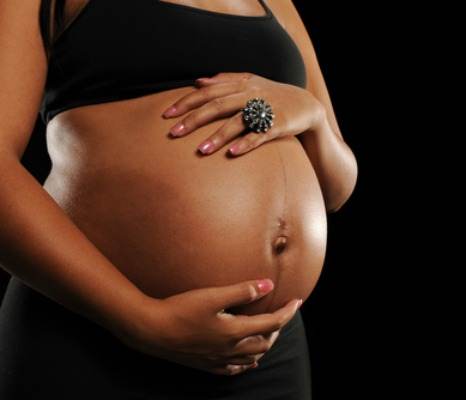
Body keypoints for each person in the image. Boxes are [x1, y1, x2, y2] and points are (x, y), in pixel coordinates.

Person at [0, 0, 358, 398]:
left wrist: (313, 115)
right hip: (95, 335)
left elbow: (337, 190)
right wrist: (141, 319)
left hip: (263, 351)